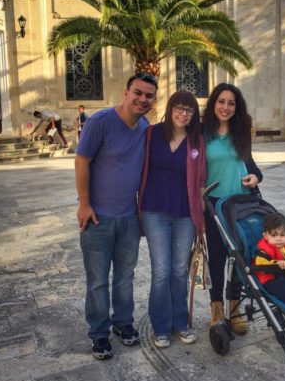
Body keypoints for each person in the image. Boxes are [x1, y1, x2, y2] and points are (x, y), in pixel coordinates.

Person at [75, 72, 157, 360]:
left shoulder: (145, 127)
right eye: (138, 92)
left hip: (129, 219)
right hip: (98, 218)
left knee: (125, 277)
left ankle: (123, 323)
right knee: (97, 280)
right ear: (126, 92)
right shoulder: (100, 122)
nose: (143, 99)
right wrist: (84, 204)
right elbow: (82, 161)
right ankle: (99, 334)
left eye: (149, 95)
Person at [138, 91, 206, 349]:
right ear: (170, 109)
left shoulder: (197, 141)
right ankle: (161, 327)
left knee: (179, 271)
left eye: (188, 110)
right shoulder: (152, 134)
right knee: (161, 271)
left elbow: (201, 180)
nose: (183, 113)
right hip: (154, 210)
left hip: (185, 214)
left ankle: (180, 323)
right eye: (178, 108)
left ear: (193, 114)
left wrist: (201, 218)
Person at [202, 82, 263, 334]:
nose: (225, 107)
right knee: (216, 259)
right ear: (213, 103)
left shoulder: (241, 130)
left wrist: (256, 177)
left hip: (240, 202)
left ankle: (235, 306)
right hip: (214, 204)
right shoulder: (202, 133)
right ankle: (217, 309)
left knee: (241, 256)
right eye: (221, 101)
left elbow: (249, 163)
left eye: (231, 103)